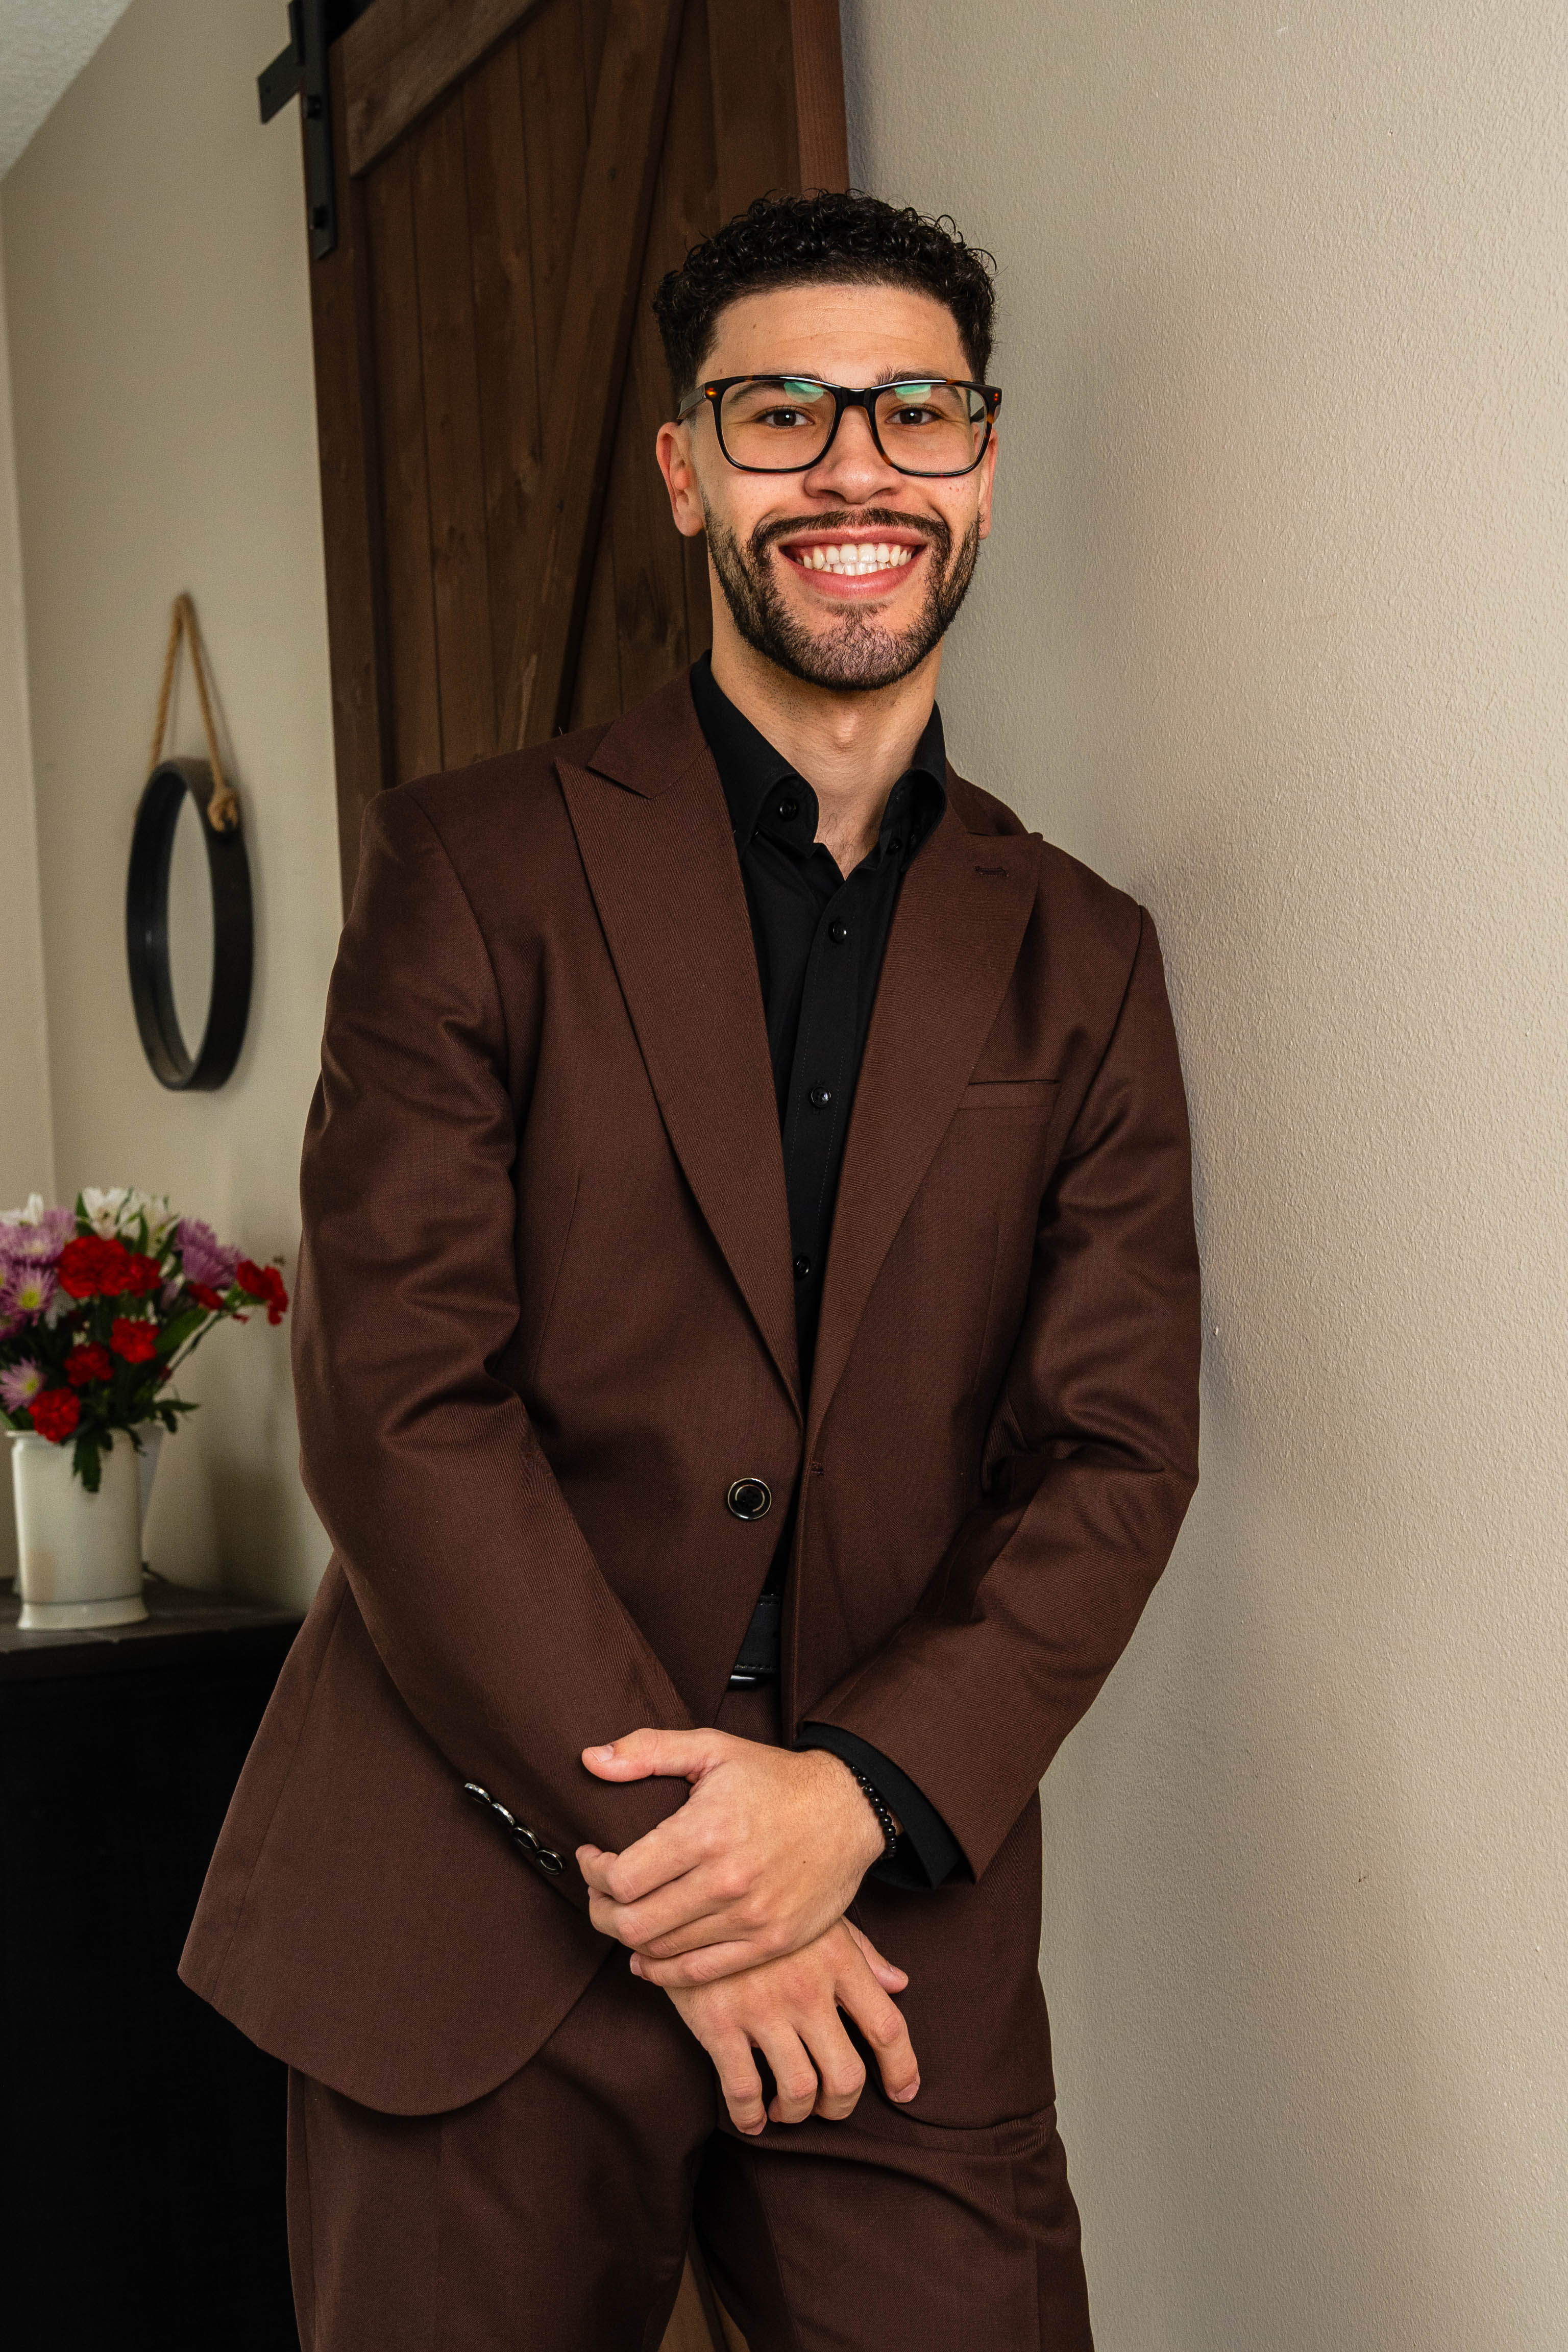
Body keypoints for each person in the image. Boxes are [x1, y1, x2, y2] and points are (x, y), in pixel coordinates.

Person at [182, 190, 1202, 2352]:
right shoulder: (468, 872)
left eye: (914, 411)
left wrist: (843, 1809)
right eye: (782, 411)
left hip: (886, 1901)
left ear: (984, 464)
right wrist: (701, 1893)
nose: (855, 465)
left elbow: (1112, 1450)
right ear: (685, 470)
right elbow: (402, 1408)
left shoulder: (1088, 958)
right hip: (470, 1885)